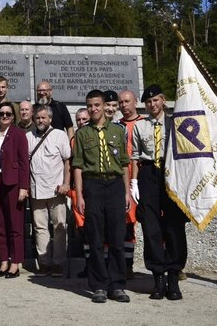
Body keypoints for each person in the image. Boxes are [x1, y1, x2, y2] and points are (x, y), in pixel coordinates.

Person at [72, 90, 133, 303]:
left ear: (104, 105)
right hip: (93, 185)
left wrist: (126, 192)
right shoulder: (82, 134)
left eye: (97, 105)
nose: (93, 109)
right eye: (90, 106)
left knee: (117, 236)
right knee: (96, 237)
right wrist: (79, 196)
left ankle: (117, 285)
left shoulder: (117, 130)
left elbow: (124, 163)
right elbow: (78, 166)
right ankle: (99, 285)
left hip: (114, 185)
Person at [133, 84, 187, 301]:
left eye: (155, 100)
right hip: (149, 173)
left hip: (171, 172)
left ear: (163, 100)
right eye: (148, 102)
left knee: (174, 226)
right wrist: (134, 182)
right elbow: (135, 156)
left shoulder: (175, 123)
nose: (152, 104)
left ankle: (173, 277)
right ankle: (158, 278)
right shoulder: (140, 126)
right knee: (151, 227)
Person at [27, 104, 71, 278]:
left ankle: (58, 263)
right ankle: (44, 263)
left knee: (59, 227)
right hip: (36, 189)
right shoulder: (28, 136)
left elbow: (67, 161)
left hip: (56, 190)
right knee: (40, 228)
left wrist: (66, 183)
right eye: (37, 118)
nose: (40, 120)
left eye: (43, 117)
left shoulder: (60, 135)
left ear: (50, 119)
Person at [0, 101, 29, 278]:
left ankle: (15, 262)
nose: (5, 116)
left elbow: (24, 162)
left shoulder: (19, 134)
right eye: (2, 114)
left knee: (15, 224)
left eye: (8, 114)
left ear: (13, 116)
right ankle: (3, 261)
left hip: (13, 182)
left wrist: (23, 187)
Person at [115, 90, 141, 278]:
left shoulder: (144, 124)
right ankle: (127, 265)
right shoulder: (117, 126)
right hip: (124, 179)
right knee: (127, 223)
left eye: (127, 101)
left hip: (142, 178)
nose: (123, 105)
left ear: (135, 102)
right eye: (121, 102)